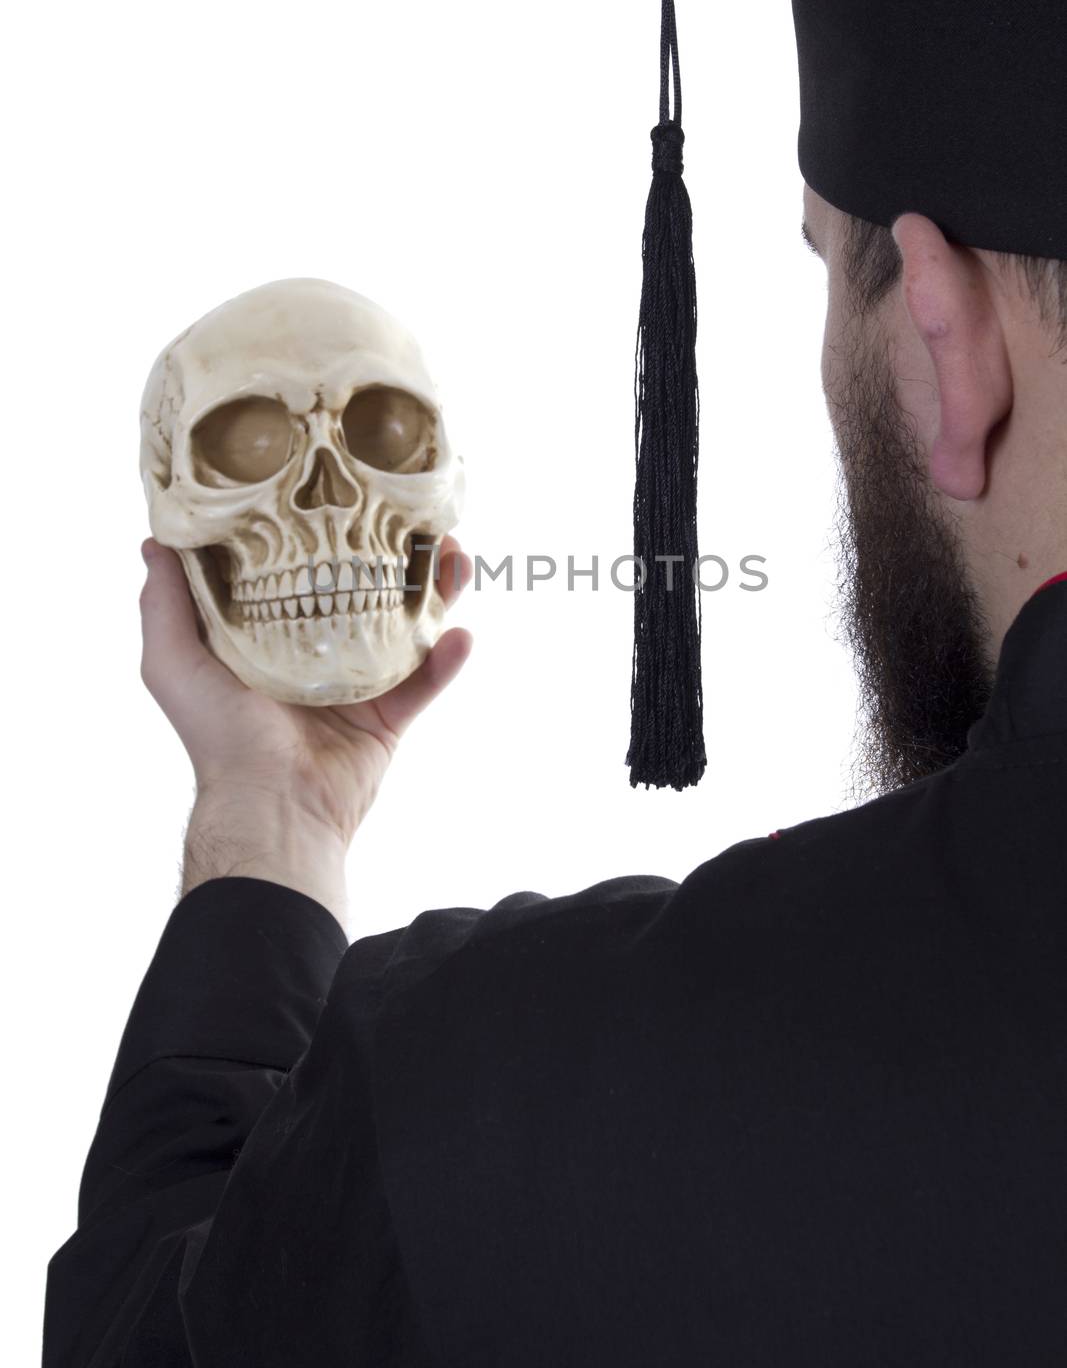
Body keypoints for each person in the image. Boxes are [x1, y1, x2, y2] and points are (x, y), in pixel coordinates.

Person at [42, 181, 1067, 1362]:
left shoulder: (499, 1091)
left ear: (949, 329)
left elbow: (145, 1332)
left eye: (828, 270)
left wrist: (273, 816)